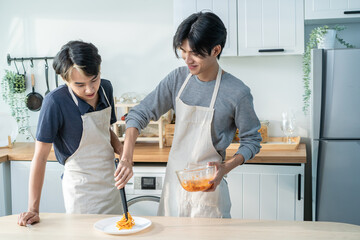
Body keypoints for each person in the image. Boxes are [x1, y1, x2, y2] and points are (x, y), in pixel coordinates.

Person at [114, 12, 262, 218]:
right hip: (174, 189)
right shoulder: (177, 80)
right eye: (183, 51)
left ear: (215, 50)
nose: (187, 59)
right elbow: (139, 113)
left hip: (210, 193)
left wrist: (225, 169)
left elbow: (252, 141)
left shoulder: (237, 92)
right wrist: (127, 156)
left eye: (194, 53)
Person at [18, 40, 123, 226]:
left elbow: (104, 128)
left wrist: (124, 153)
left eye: (94, 79)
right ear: (65, 79)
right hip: (81, 191)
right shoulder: (55, 102)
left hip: (111, 184)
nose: (90, 89)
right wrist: (33, 209)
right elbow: (40, 157)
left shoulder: (106, 89)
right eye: (80, 84)